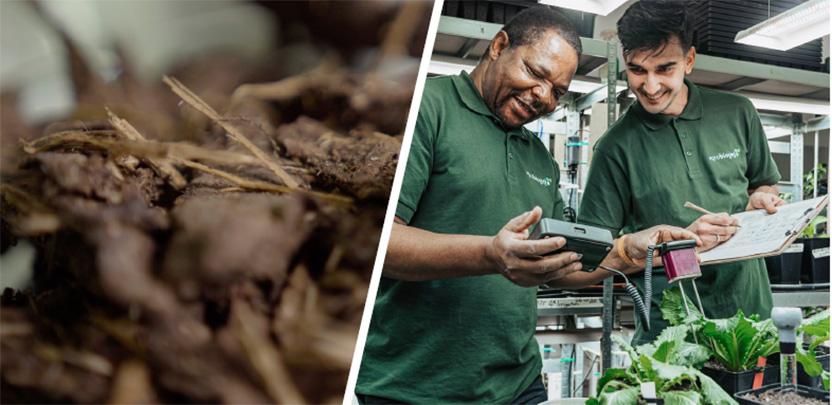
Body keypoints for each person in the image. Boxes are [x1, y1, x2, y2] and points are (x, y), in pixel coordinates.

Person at [355, 7, 701, 404]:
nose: (543, 96)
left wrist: (630, 249)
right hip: (411, 388)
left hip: (519, 384)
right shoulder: (427, 109)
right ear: (499, 45)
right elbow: (375, 241)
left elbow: (561, 267)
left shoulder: (539, 157)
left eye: (557, 91)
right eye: (535, 73)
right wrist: (491, 254)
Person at [578, 0, 785, 346]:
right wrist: (667, 246)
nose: (650, 86)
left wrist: (762, 200)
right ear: (624, 61)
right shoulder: (614, 148)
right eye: (637, 70)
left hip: (750, 320)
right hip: (671, 335)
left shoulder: (738, 112)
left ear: (689, 60)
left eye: (664, 69)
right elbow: (591, 258)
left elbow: (763, 186)